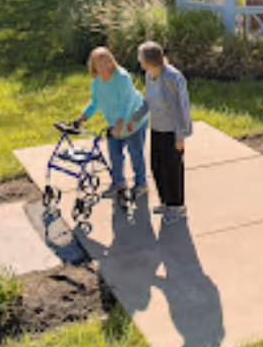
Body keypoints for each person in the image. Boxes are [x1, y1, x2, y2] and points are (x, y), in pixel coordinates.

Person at [73, 47, 148, 200]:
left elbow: (126, 102)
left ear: (111, 61)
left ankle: (141, 183)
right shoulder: (96, 81)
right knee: (115, 155)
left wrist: (120, 121)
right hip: (114, 124)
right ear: (93, 66)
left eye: (107, 62)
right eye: (99, 64)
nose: (104, 67)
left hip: (133, 121)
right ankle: (118, 184)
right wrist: (83, 117)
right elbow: (95, 102)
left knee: (136, 154)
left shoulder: (122, 77)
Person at [137, 41, 192, 224]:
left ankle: (177, 207)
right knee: (157, 166)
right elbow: (147, 102)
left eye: (141, 57)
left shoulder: (171, 77)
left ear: (149, 60)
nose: (139, 60)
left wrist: (180, 136)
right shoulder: (149, 74)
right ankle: (166, 203)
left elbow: (181, 108)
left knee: (172, 170)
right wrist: (134, 118)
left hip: (172, 132)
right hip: (157, 129)